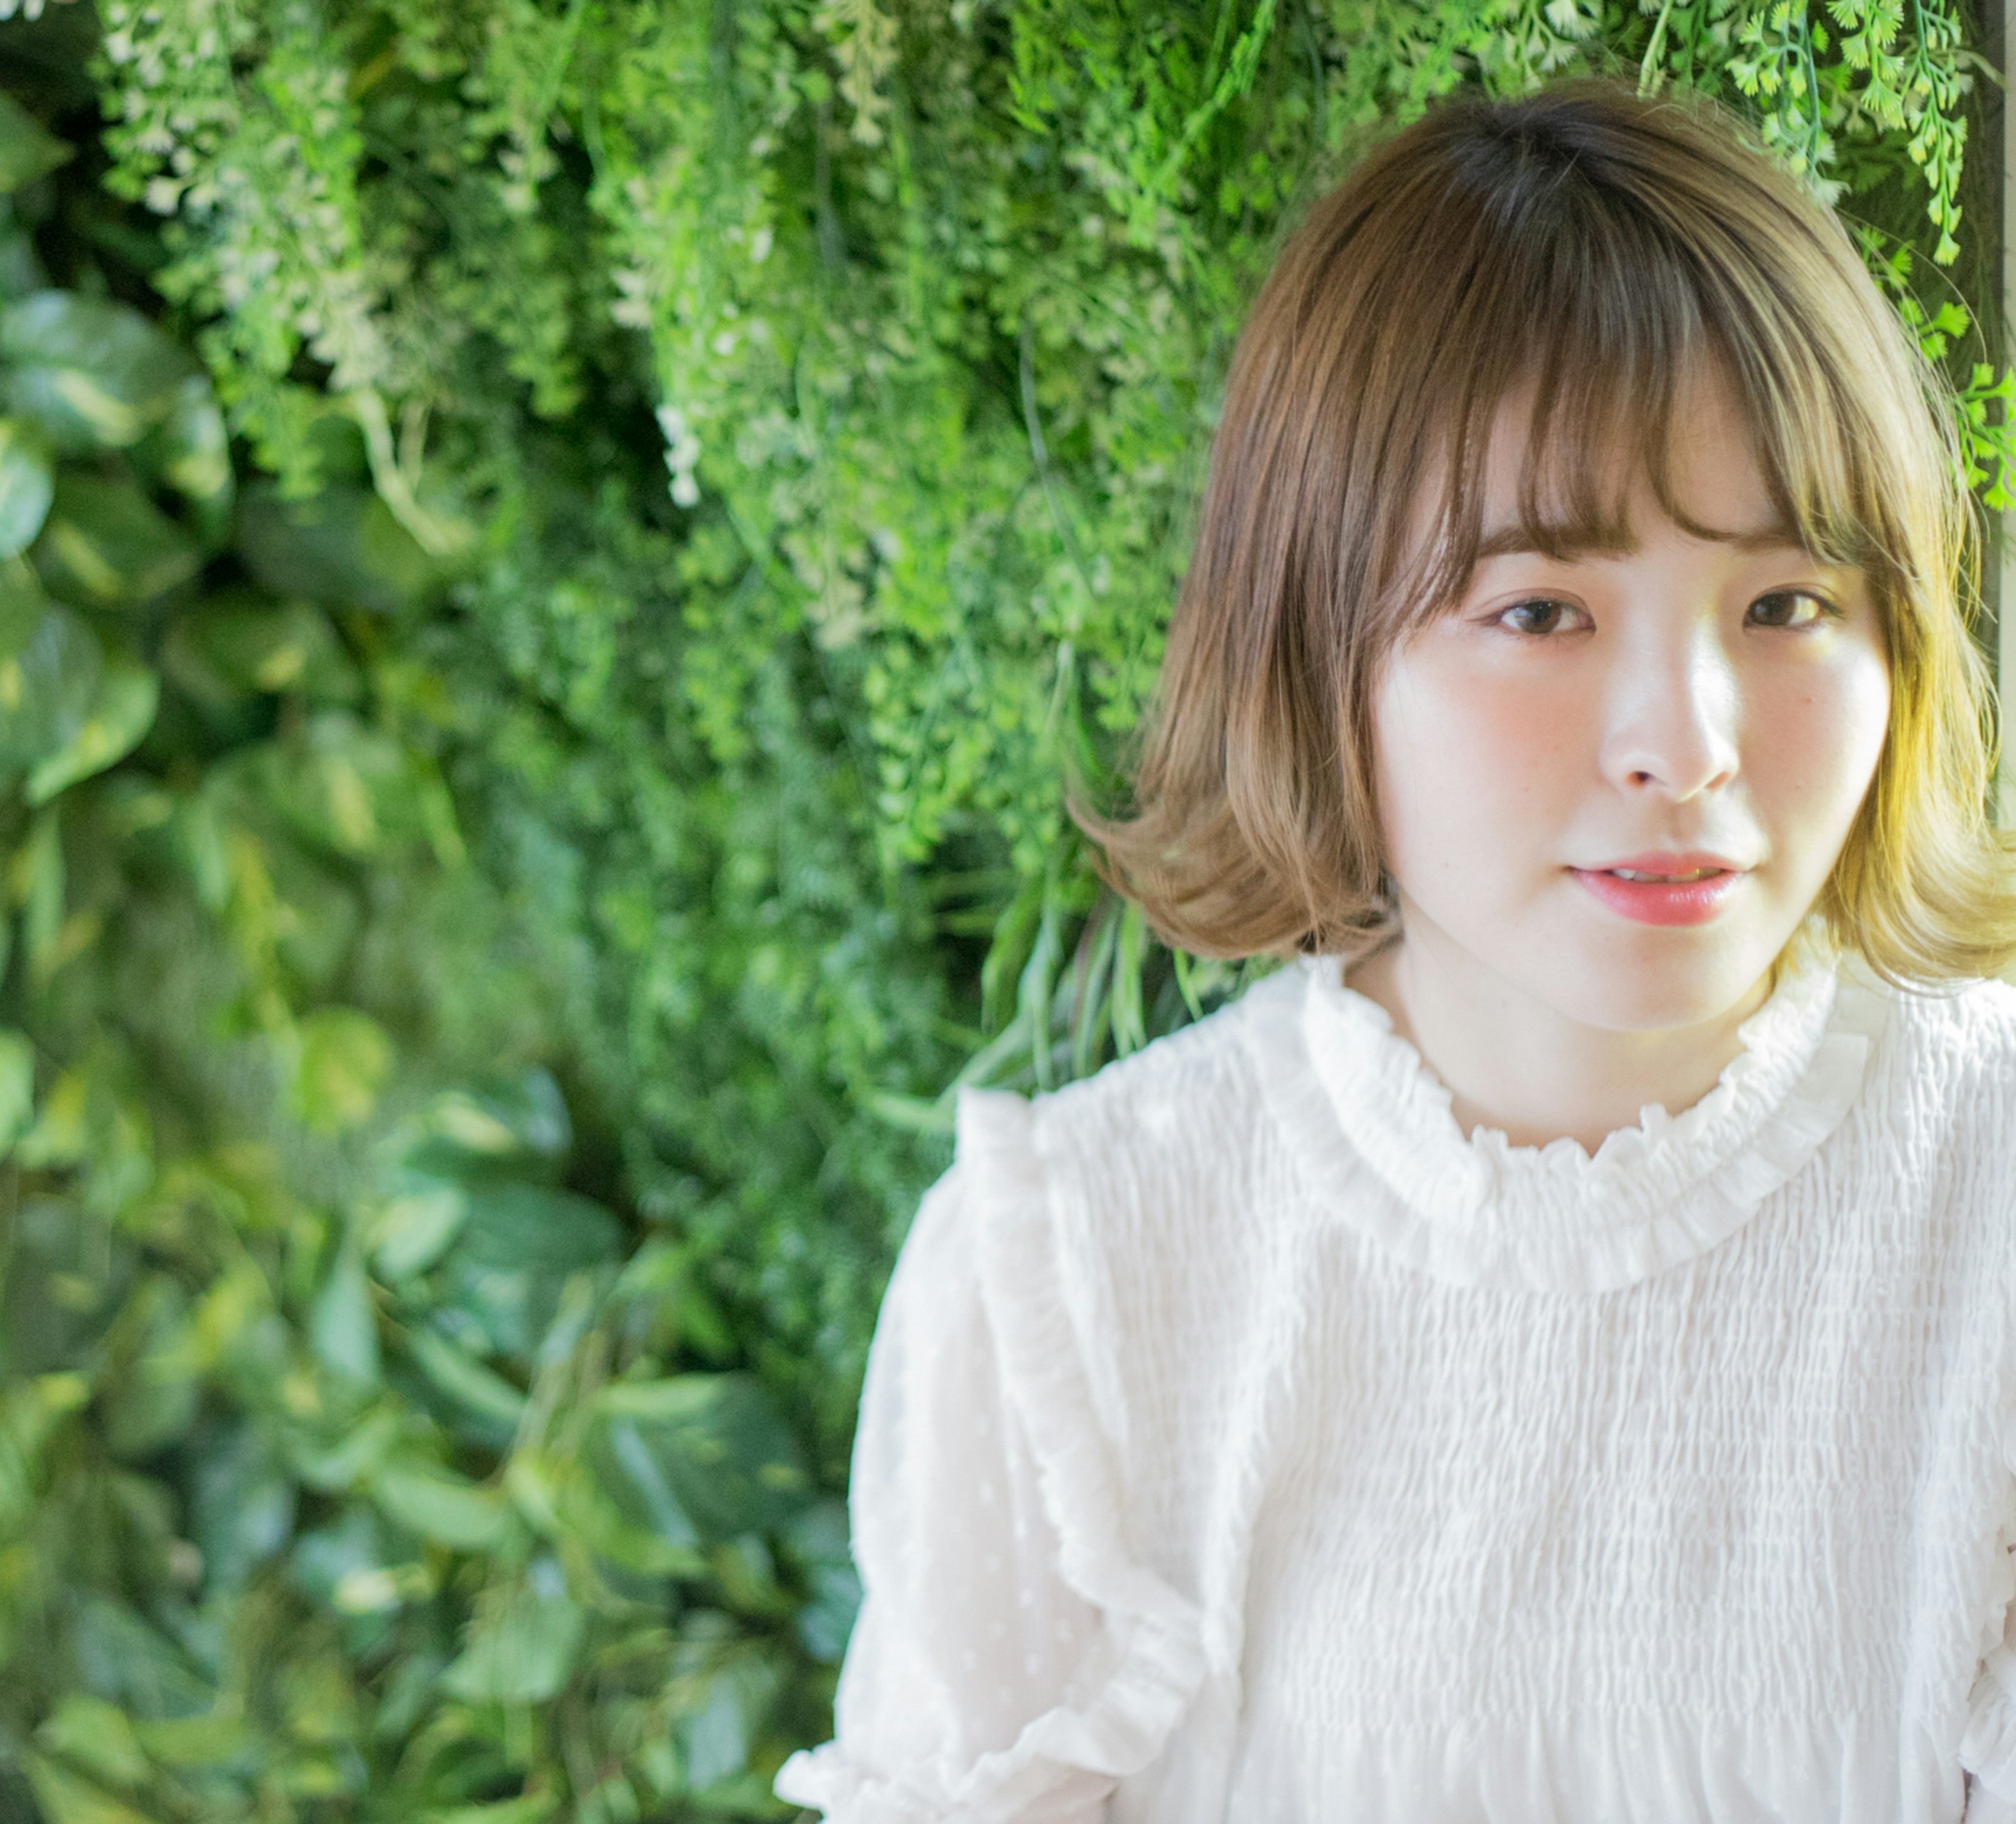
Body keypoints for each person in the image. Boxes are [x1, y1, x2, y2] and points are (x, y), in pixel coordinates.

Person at [771, 76, 2016, 1823]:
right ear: (1318, 655)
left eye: (1787, 603)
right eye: (1539, 611)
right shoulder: (1079, 1275)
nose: (1689, 738)